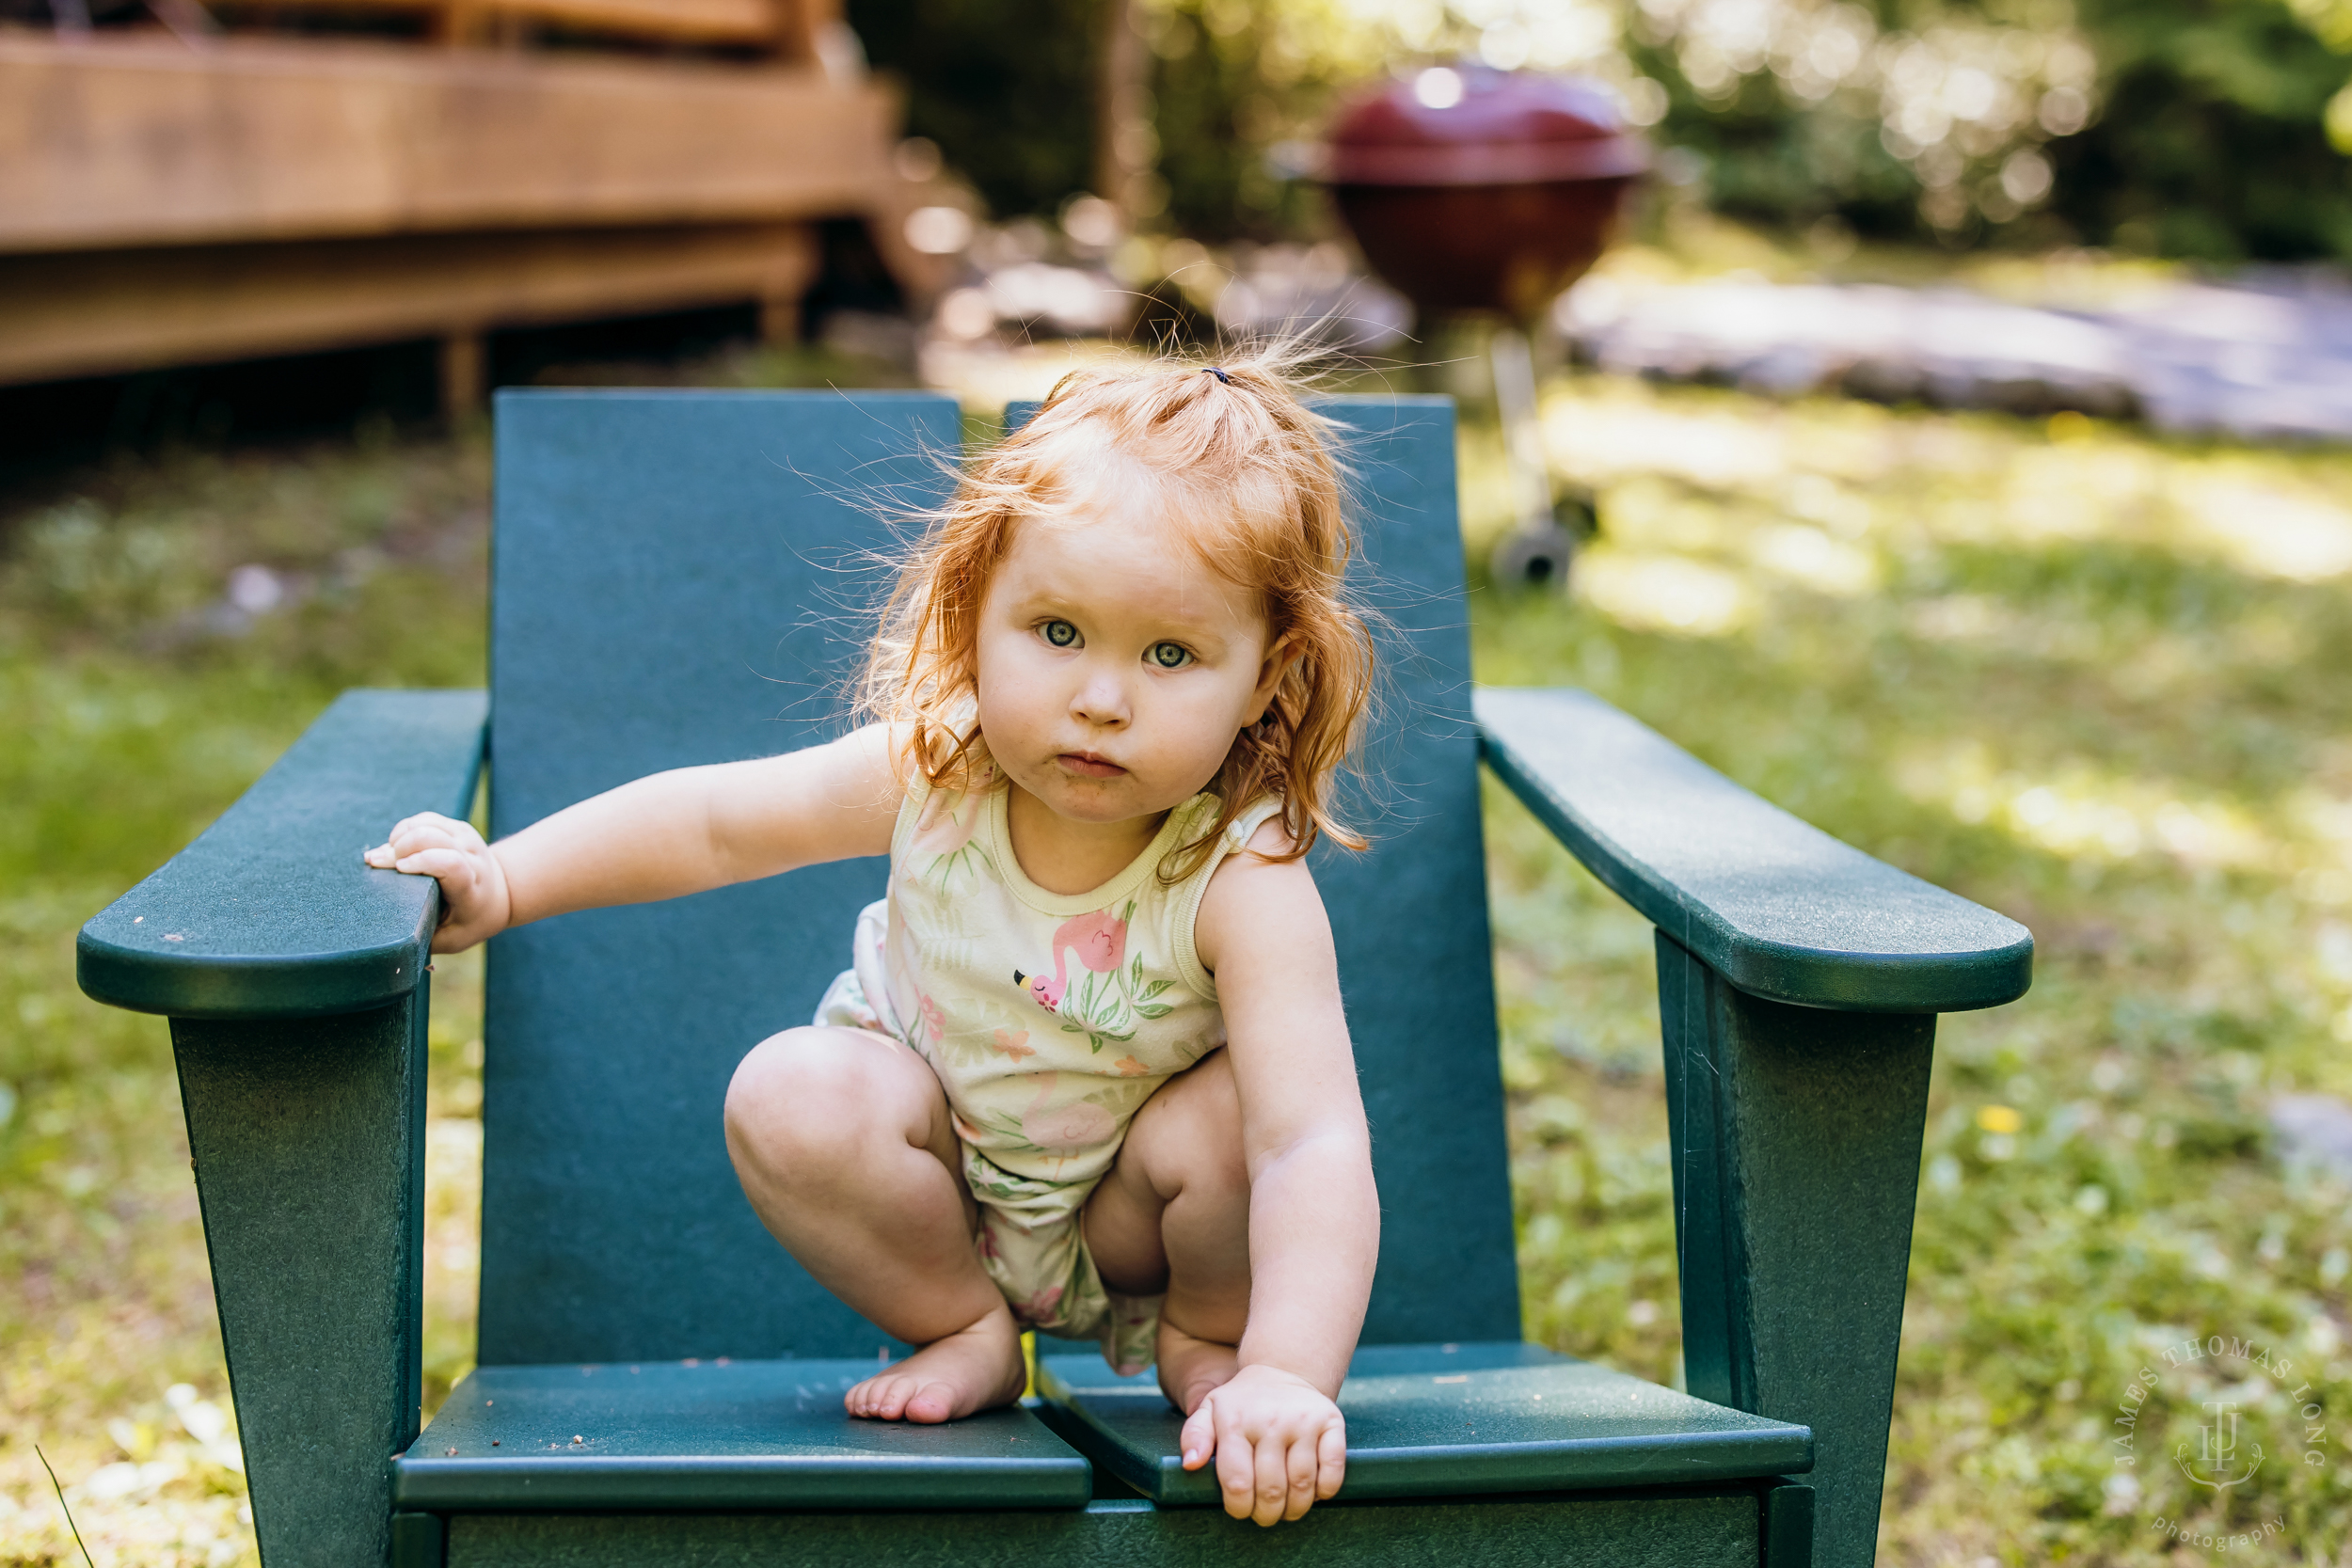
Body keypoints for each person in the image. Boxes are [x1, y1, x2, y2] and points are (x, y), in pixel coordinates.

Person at [363, 351, 1381, 1528]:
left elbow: (1310, 1141)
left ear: (1268, 677)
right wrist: (506, 876)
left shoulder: (1239, 872)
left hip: (1135, 1215)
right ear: (975, 610)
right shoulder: (936, 771)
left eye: (1169, 655)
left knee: (1235, 1117)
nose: (1102, 699)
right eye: (1055, 630)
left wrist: (1290, 1373)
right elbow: (714, 823)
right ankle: (966, 1325)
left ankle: (1211, 1344)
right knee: (789, 1090)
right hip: (938, 1174)